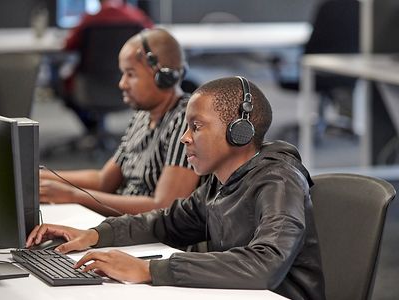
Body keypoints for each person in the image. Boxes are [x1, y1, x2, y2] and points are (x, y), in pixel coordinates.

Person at [29, 77, 325, 299]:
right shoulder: (220, 182)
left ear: (240, 131)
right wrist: (96, 234)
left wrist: (148, 270)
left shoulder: (279, 180)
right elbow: (165, 222)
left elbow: (265, 264)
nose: (184, 138)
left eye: (196, 126)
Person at [40, 28, 201, 216]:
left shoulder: (184, 121)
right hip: (123, 223)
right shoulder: (143, 116)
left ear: (163, 77)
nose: (122, 83)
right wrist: (40, 177)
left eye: (130, 74)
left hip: (150, 235)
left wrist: (75, 196)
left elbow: (164, 207)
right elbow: (104, 181)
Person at [61, 0, 154, 132]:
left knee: (60, 79)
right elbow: (153, 40)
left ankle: (92, 128)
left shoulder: (89, 20)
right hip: (129, 86)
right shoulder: (137, 18)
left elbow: (68, 46)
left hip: (89, 88)